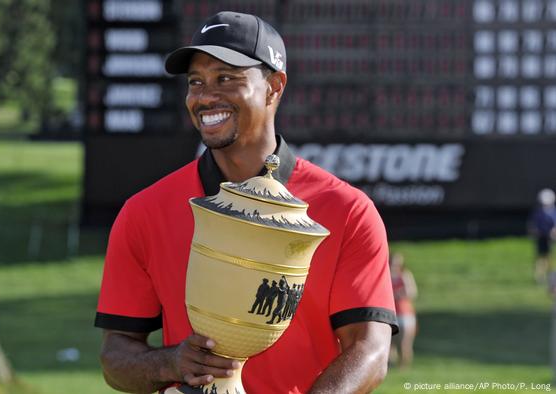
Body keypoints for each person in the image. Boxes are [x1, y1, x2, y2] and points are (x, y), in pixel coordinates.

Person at [94, 11, 398, 393]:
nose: (205, 96)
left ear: (274, 87)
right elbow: (115, 357)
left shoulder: (347, 210)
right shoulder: (144, 213)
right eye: (196, 82)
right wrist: (169, 361)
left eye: (226, 78)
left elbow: (370, 349)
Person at [389, 253, 417, 369]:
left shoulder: (404, 275)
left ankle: (403, 367)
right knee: (390, 344)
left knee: (404, 343)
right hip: (391, 313)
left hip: (405, 314)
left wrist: (397, 294)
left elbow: (411, 292)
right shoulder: (386, 276)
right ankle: (390, 366)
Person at [529, 188, 556, 284]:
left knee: (550, 256)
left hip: (550, 238)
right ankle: (540, 275)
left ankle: (550, 274)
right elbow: (533, 225)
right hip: (541, 238)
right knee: (541, 257)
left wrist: (553, 232)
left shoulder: (553, 212)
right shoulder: (538, 212)